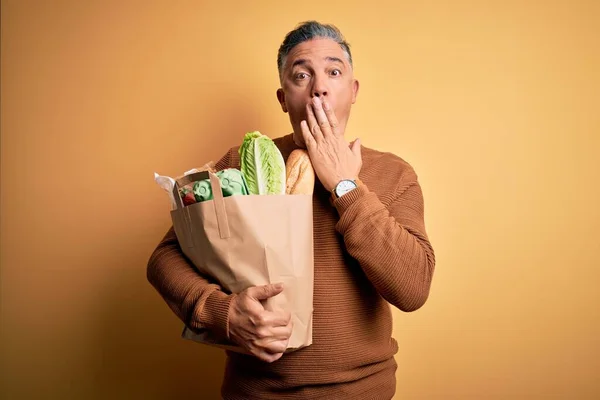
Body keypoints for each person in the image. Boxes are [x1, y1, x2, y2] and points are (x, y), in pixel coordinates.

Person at [147, 20, 436, 399]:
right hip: (255, 392)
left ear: (352, 91)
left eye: (334, 72)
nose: (319, 86)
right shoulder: (242, 162)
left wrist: (344, 186)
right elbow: (163, 259)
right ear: (283, 97)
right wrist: (224, 313)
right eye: (302, 75)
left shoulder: (394, 174)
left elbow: (413, 289)